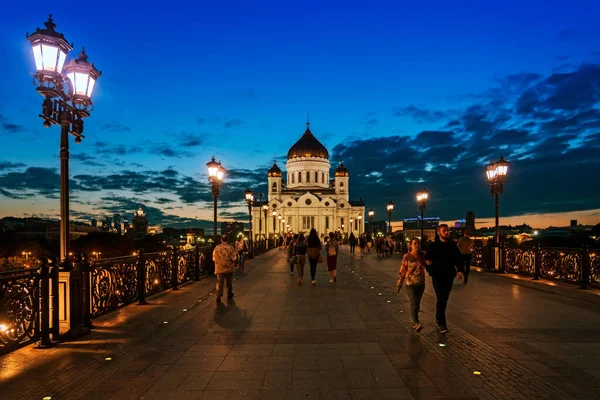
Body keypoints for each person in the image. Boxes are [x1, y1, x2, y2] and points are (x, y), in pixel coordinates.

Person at [424, 224, 464, 333]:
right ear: (439, 232)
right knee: (441, 297)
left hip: (449, 275)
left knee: (444, 298)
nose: (447, 233)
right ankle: (442, 323)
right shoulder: (434, 246)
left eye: (448, 231)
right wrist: (431, 269)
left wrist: (460, 270)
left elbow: (458, 258)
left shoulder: (452, 246)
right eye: (444, 231)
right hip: (437, 275)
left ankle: (438, 318)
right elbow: (427, 260)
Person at [397, 238, 426, 332]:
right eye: (415, 243)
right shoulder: (407, 257)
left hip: (421, 284)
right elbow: (402, 271)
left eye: (418, 243)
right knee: (414, 302)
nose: (417, 245)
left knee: (417, 304)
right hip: (410, 284)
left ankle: (413, 320)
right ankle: (416, 322)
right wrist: (399, 284)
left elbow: (428, 266)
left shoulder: (423, 256)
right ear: (410, 245)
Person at [213, 235, 238, 303]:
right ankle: (229, 293)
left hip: (219, 268)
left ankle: (218, 296)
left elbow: (214, 258)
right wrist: (235, 263)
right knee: (229, 282)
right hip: (228, 268)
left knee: (219, 282)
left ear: (221, 240)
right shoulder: (230, 247)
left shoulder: (217, 247)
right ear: (227, 240)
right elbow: (233, 257)